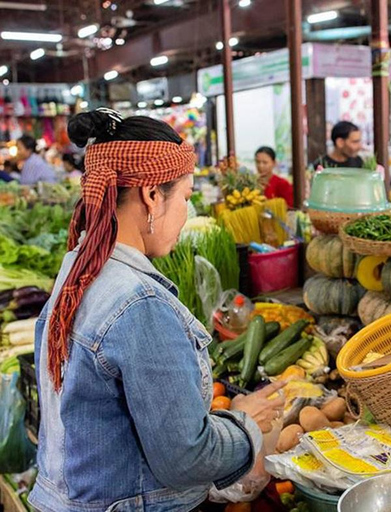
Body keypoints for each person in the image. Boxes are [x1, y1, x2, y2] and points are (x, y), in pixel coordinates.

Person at [30, 109, 284, 512]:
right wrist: (244, 422)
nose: (186, 211)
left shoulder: (77, 269)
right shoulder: (138, 304)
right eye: (185, 196)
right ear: (151, 195)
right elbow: (186, 459)